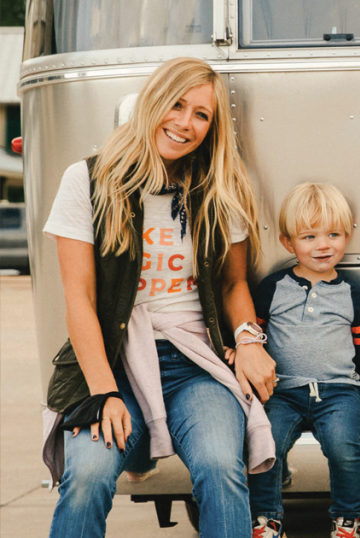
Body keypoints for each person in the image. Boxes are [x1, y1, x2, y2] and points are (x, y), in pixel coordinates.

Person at [41, 57, 278, 538]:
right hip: (113, 362)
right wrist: (105, 392)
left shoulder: (219, 188)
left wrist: (250, 342)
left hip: (195, 363)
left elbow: (234, 283)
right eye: (176, 105)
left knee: (220, 467)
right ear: (152, 102)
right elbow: (79, 300)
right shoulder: (87, 181)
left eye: (201, 115)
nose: (184, 123)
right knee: (86, 475)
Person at [248, 182, 360, 538]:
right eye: (309, 237)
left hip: (339, 391)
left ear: (347, 237)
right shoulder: (272, 288)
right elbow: (251, 337)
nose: (323, 245)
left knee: (344, 448)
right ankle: (266, 520)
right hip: (282, 391)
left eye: (334, 234)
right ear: (288, 243)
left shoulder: (352, 293)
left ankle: (347, 520)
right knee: (265, 445)